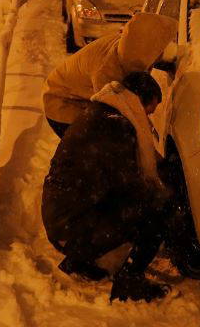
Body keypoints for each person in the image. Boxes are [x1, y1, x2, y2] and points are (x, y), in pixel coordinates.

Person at [41, 71, 175, 302]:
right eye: (148, 111)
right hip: (70, 228)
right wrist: (166, 194)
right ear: (137, 101)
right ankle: (129, 280)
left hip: (61, 221)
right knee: (156, 210)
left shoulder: (100, 112)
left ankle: (78, 261)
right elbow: (129, 186)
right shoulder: (116, 127)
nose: (148, 118)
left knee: (122, 201)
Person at [43, 11, 176, 137]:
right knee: (104, 143)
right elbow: (112, 114)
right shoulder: (108, 72)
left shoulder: (131, 45)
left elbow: (155, 54)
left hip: (79, 98)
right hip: (63, 103)